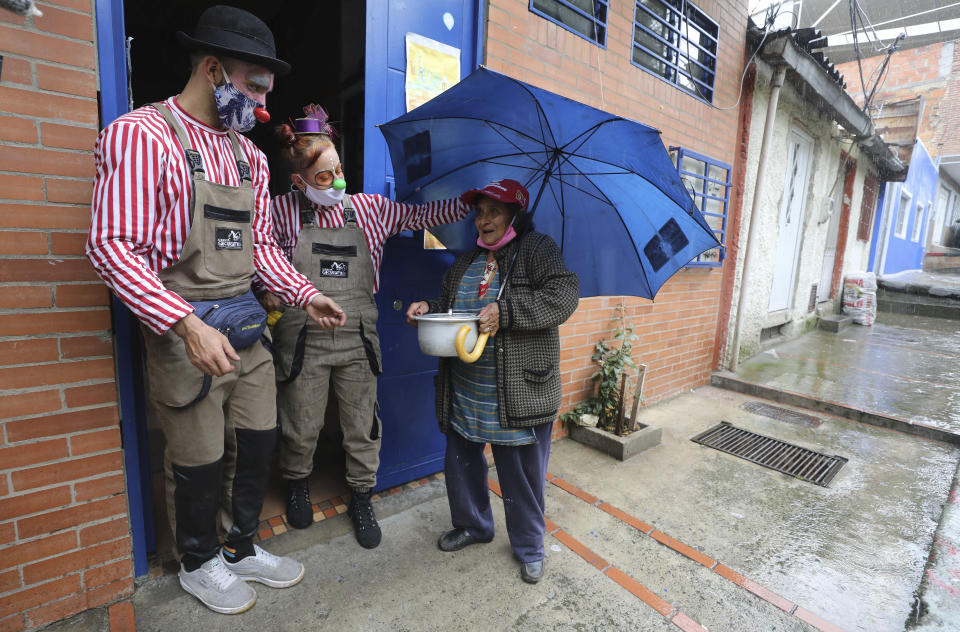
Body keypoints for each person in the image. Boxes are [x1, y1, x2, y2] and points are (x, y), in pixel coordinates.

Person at [87, 6, 345, 615]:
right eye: (253, 88)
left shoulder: (248, 159)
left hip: (246, 325)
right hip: (184, 329)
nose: (261, 107)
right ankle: (199, 562)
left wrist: (308, 293)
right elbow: (110, 244)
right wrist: (184, 323)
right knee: (198, 460)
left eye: (266, 93)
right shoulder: (142, 136)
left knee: (259, 440)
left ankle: (241, 546)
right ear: (211, 68)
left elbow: (258, 250)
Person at [258, 105, 470, 548]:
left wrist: (469, 200)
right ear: (297, 182)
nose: (336, 182)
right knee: (301, 420)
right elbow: (261, 261)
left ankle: (360, 495)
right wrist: (270, 293)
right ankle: (297, 482)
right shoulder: (279, 212)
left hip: (357, 339)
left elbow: (421, 217)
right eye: (322, 177)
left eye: (338, 171)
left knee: (361, 422)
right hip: (302, 340)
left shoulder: (371, 211)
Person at [405, 179, 579, 583]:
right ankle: (474, 525)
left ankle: (530, 545)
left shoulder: (537, 250)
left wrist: (508, 311)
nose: (483, 220)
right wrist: (427, 307)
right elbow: (450, 304)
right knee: (463, 462)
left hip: (517, 390)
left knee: (521, 473)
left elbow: (564, 294)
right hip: (466, 386)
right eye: (479, 212)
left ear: (515, 215)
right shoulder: (467, 261)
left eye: (493, 212)